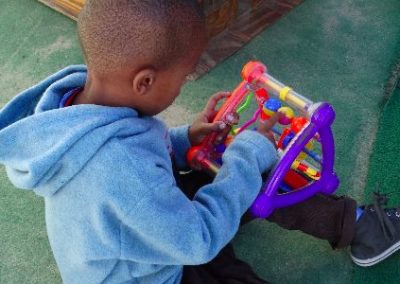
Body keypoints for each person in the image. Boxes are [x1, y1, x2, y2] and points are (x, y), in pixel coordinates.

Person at [0, 1, 399, 283]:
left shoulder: (79, 102)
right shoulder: (122, 171)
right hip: (153, 270)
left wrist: (182, 140)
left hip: (138, 225)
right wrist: (244, 157)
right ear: (145, 82)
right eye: (184, 76)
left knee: (243, 165)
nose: (183, 86)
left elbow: (134, 154)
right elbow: (198, 241)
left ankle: (360, 227)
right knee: (247, 166)